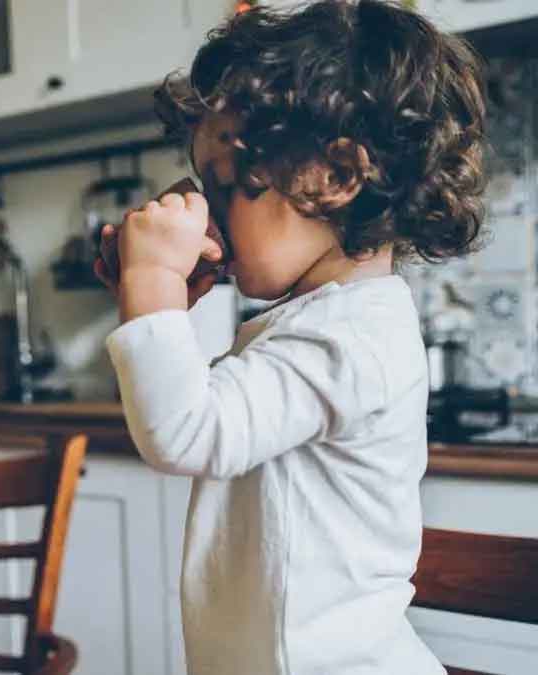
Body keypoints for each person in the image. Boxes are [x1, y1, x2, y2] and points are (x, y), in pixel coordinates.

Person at [96, 1, 486, 672]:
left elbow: (186, 430)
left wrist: (155, 278)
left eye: (225, 191)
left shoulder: (351, 337)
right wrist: (158, 305)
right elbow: (225, 414)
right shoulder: (318, 324)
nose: (211, 217)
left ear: (335, 177)